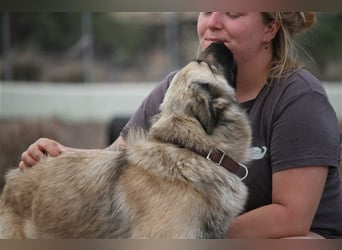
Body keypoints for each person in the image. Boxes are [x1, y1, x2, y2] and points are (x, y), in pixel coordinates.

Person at [19, 12, 342, 239]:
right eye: (207, 10)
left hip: (296, 236)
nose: (213, 22)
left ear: (269, 29)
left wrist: (182, 229)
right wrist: (61, 155)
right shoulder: (182, 85)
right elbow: (121, 159)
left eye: (233, 13)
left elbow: (291, 218)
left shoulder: (298, 98)